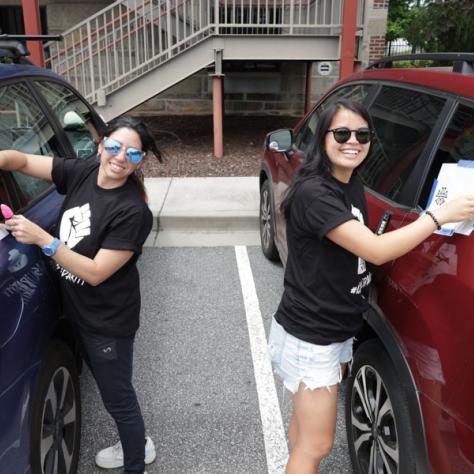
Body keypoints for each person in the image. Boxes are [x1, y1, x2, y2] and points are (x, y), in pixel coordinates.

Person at [268, 98, 474, 474]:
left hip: (326, 328)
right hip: (312, 333)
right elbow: (375, 250)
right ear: (323, 138)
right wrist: (439, 215)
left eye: (362, 134)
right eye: (342, 133)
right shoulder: (316, 193)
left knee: (304, 436)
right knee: (317, 444)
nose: (353, 142)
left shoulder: (348, 181)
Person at [0, 116, 162, 474]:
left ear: (141, 161)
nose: (121, 158)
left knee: (118, 399)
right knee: (113, 390)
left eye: (133, 154)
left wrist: (43, 239)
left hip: (106, 322)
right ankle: (137, 444)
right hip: (79, 312)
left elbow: (94, 272)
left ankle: (136, 462)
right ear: (101, 145)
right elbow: (23, 161)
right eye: (115, 147)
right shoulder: (85, 172)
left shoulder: (133, 212)